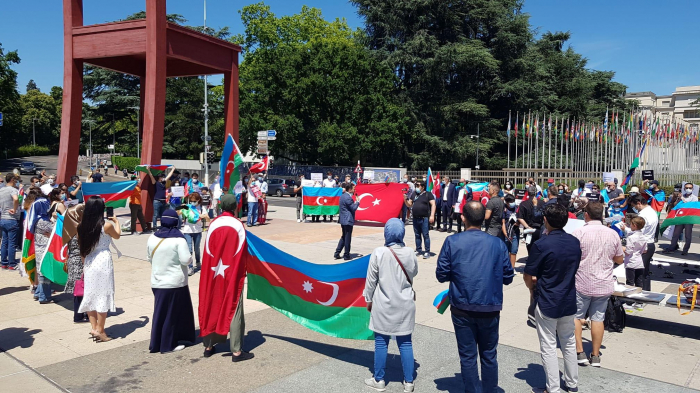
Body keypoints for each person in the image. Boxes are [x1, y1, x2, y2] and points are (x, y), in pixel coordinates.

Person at [436, 201, 514, 393]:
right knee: (488, 354)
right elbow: (508, 276)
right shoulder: (497, 243)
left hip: (462, 306)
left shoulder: (453, 241)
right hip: (489, 306)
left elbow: (441, 274)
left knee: (468, 355)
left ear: (463, 218)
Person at [524, 203, 581, 393]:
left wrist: (532, 289)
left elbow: (528, 274)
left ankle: (553, 388)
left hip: (548, 298)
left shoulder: (541, 244)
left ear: (546, 220)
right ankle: (572, 383)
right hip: (568, 297)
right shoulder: (574, 242)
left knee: (548, 345)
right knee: (568, 341)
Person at [363, 218, 417, 392]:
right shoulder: (410, 252)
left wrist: (368, 299)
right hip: (405, 304)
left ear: (386, 232)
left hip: (383, 303)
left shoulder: (379, 252)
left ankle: (379, 379)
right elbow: (414, 271)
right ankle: (408, 382)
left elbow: (371, 280)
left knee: (381, 342)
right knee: (405, 342)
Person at [200, 194, 253, 362]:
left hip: (213, 271)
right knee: (234, 307)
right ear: (235, 206)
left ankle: (208, 346)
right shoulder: (238, 225)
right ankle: (236, 351)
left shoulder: (213, 223)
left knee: (211, 303)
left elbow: (209, 248)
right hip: (232, 272)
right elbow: (243, 250)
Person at [572, 202, 624, 368]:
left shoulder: (578, 232)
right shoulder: (612, 234)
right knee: (598, 318)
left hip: (582, 280)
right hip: (603, 282)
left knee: (577, 317)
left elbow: (571, 256)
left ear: (586, 215)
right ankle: (595, 355)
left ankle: (579, 351)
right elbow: (619, 259)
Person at [147, 208, 195, 353]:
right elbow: (186, 260)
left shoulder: (152, 237)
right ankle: (168, 345)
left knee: (160, 313)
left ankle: (157, 343)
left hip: (157, 281)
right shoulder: (179, 240)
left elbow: (149, 258)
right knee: (171, 315)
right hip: (175, 283)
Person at [78, 196, 121, 343]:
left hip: (89, 261)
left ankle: (94, 326)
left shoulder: (81, 226)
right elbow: (118, 235)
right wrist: (117, 222)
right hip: (103, 260)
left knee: (91, 294)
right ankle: (101, 330)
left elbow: (81, 249)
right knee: (104, 294)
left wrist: (84, 266)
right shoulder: (106, 225)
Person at [623, 195, 658, 291]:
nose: (634, 209)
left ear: (639, 203)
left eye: (634, 206)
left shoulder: (642, 215)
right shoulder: (652, 211)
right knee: (644, 272)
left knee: (638, 274)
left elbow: (638, 232)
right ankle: (646, 292)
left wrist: (625, 229)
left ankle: (640, 294)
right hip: (649, 243)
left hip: (642, 244)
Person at [63, 204, 88, 323]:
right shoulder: (80, 229)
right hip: (80, 261)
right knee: (82, 289)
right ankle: (80, 315)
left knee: (78, 290)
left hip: (72, 260)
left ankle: (80, 314)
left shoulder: (68, 228)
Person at [404, 181, 435, 259]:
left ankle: (427, 251)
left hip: (424, 218)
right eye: (416, 185)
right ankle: (418, 249)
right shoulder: (414, 194)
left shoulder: (428, 194)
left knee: (425, 235)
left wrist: (432, 215)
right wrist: (405, 200)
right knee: (417, 235)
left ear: (423, 187)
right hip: (415, 218)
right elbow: (409, 204)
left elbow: (433, 204)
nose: (416, 187)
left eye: (418, 185)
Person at [665, 182, 698, 255]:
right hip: (680, 218)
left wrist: (683, 199)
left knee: (687, 235)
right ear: (684, 188)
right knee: (675, 234)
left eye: (689, 188)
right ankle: (671, 248)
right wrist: (677, 199)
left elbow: (690, 207)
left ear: (692, 189)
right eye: (686, 188)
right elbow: (676, 206)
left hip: (689, 219)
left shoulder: (694, 198)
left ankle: (685, 250)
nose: (688, 189)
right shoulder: (681, 196)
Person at [334, 183, 360, 260]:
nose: (354, 190)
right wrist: (357, 202)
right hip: (348, 220)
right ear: (349, 189)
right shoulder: (348, 198)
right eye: (353, 188)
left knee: (344, 236)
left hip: (343, 219)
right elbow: (353, 208)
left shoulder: (342, 196)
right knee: (347, 237)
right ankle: (346, 254)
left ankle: (337, 252)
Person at [0, 174, 21, 270]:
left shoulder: (1, 190)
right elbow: (16, 199)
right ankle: (11, 264)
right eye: (15, 180)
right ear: (12, 180)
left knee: (4, 241)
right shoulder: (13, 190)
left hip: (3, 218)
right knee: (12, 242)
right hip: (12, 218)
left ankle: (3, 262)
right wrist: (15, 209)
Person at [181, 192, 204, 275]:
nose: (192, 202)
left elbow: (208, 218)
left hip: (197, 231)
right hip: (187, 231)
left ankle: (198, 263)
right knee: (189, 250)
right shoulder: (187, 207)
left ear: (198, 200)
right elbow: (177, 212)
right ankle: (190, 267)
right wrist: (181, 206)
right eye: (191, 201)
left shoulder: (201, 208)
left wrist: (202, 216)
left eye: (194, 201)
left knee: (196, 249)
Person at [148, 166, 176, 230]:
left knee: (162, 215)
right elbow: (151, 177)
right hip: (157, 201)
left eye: (163, 177)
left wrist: (173, 169)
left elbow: (168, 176)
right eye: (161, 177)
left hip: (163, 201)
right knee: (155, 215)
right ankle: (154, 227)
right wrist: (149, 170)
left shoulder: (164, 182)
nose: (163, 178)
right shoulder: (156, 183)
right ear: (159, 178)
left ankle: (162, 226)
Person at [517, 186, 543, 253]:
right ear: (536, 193)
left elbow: (520, 218)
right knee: (540, 249)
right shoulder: (542, 203)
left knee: (530, 249)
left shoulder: (523, 204)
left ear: (527, 193)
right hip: (539, 229)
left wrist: (528, 227)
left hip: (528, 229)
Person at [624, 216, 647, 289]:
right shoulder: (643, 237)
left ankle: (629, 299)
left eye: (631, 224)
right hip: (639, 262)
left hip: (631, 262)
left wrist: (622, 248)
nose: (630, 225)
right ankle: (639, 298)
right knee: (639, 282)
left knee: (630, 282)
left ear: (634, 225)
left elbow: (628, 251)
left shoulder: (631, 237)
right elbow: (645, 250)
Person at [502, 194, 519, 268]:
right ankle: (505, 267)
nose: (513, 203)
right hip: (506, 233)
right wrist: (505, 232)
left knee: (513, 251)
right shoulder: (504, 209)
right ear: (506, 202)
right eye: (511, 202)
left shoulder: (517, 208)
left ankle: (512, 268)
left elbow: (521, 218)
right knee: (505, 252)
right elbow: (502, 222)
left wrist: (518, 223)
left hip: (515, 233)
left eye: (513, 201)